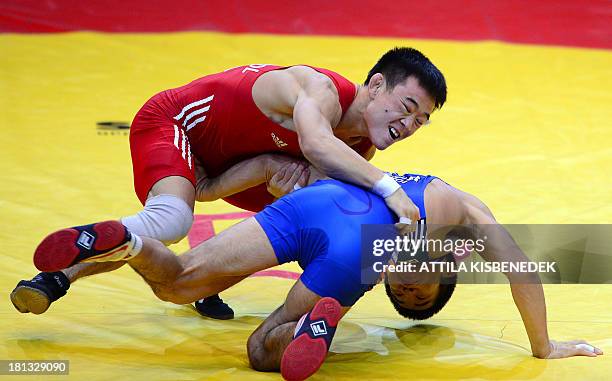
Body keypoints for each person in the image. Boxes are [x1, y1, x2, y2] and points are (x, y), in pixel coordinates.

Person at [30, 157, 603, 381]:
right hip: (351, 243)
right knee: (260, 350)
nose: (406, 289)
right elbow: (524, 268)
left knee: (177, 282)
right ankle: (308, 329)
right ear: (444, 277)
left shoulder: (431, 195)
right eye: (421, 294)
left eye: (404, 297)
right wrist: (544, 346)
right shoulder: (461, 224)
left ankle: (127, 242)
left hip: (318, 202)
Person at [11, 47, 447, 319]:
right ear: (375, 86)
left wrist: (224, 187)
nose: (409, 125)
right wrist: (389, 188)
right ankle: (55, 278)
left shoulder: (358, 151)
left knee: (286, 230)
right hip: (179, 126)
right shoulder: (320, 90)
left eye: (421, 120)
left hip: (233, 164)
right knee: (172, 219)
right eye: (406, 106)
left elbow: (271, 166)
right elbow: (314, 143)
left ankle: (205, 280)